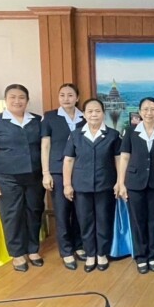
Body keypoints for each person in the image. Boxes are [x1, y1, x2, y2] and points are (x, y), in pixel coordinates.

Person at [0, 84, 45, 272]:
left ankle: (33, 249)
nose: (17, 101)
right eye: (13, 97)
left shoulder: (37, 121)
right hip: (7, 178)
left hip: (34, 177)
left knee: (34, 212)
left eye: (21, 97)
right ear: (6, 100)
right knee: (12, 215)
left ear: (27, 100)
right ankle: (17, 253)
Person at [63, 98, 121, 273]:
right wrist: (67, 184)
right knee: (85, 221)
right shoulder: (76, 135)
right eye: (90, 111)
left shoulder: (113, 135)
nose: (94, 114)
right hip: (81, 186)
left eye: (97, 111)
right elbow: (68, 160)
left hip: (105, 184)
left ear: (103, 113)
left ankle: (102, 253)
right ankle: (90, 254)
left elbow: (119, 160)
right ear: (84, 114)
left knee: (103, 220)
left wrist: (119, 181)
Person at [117, 97, 154, 274]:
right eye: (145, 109)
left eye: (153, 109)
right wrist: (121, 183)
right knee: (137, 220)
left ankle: (153, 255)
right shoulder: (130, 131)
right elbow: (124, 157)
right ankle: (141, 257)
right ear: (140, 112)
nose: (149, 113)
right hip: (134, 182)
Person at [40, 83, 86, 270]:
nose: (66, 99)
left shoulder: (85, 117)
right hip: (58, 170)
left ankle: (79, 245)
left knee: (80, 211)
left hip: (80, 170)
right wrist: (46, 173)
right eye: (62, 95)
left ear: (77, 98)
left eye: (70, 95)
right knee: (62, 211)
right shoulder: (50, 117)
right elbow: (45, 146)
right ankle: (66, 251)